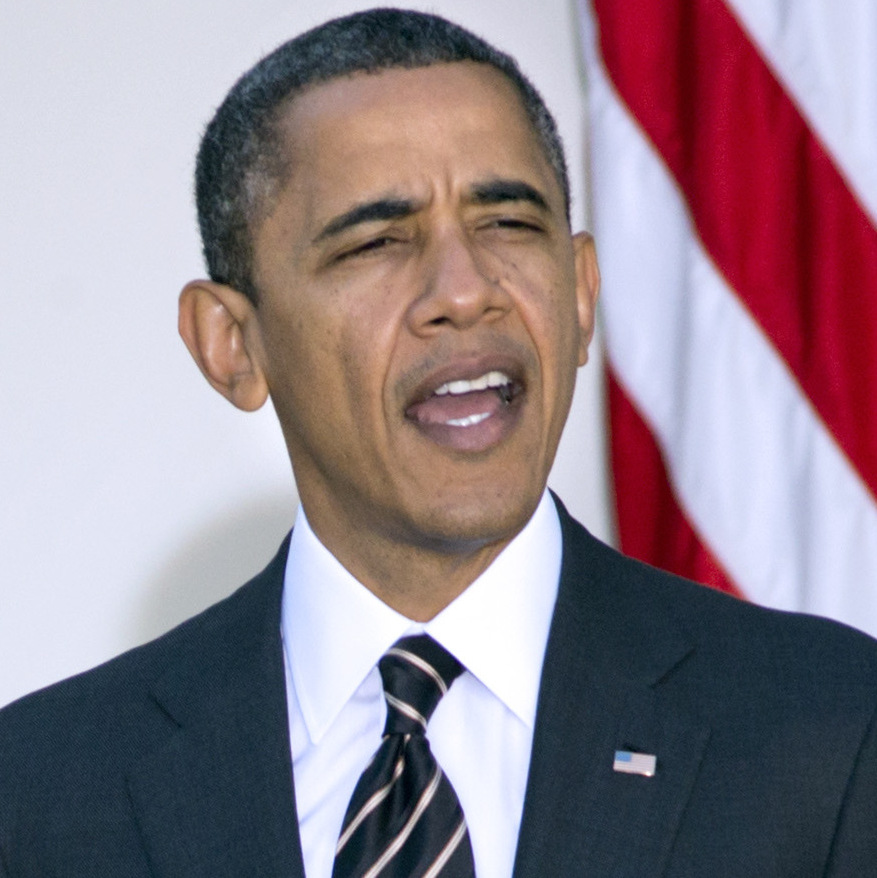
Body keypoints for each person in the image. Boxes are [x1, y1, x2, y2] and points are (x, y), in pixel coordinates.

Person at [1, 8, 876, 877]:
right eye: (378, 241)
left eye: (507, 224)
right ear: (231, 344)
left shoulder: (831, 735)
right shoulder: (43, 795)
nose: (464, 291)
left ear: (578, 295)